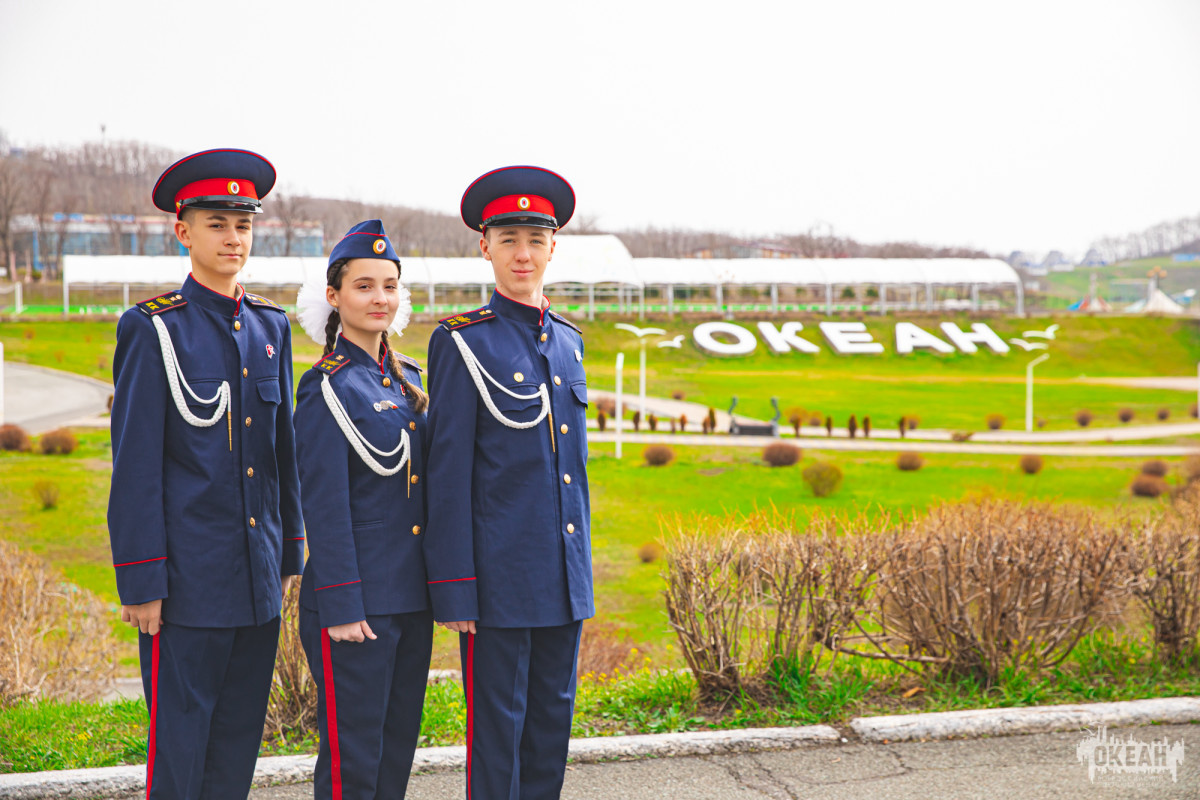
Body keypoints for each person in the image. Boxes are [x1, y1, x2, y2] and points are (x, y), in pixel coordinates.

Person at [107, 148, 304, 799]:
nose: (232, 237)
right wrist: (140, 578)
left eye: (243, 223)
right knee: (181, 752)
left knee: (237, 745)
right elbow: (135, 467)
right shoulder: (153, 331)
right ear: (182, 230)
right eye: (217, 223)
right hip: (185, 588)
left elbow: (283, 458)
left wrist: (290, 556)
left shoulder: (271, 329)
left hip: (256, 582)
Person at [423, 166, 593, 800]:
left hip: (563, 577)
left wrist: (578, 570)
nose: (523, 254)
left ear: (554, 246)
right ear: (484, 246)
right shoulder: (462, 343)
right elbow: (447, 476)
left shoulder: (569, 343)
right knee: (498, 739)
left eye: (535, 239)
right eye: (508, 239)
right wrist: (457, 588)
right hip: (498, 583)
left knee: (551, 731)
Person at [293, 220, 433, 800]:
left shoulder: (412, 382)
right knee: (354, 758)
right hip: (356, 605)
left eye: (390, 286)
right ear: (334, 297)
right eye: (364, 286)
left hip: (411, 597)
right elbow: (323, 508)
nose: (380, 298)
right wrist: (343, 606)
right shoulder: (325, 387)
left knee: (397, 748)